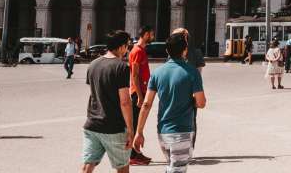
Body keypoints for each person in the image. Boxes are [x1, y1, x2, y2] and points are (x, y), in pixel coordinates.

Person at [133, 33, 206, 173]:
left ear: (167, 51)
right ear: (185, 51)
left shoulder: (157, 73)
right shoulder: (192, 72)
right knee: (177, 169)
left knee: (173, 166)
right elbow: (201, 103)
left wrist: (139, 132)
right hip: (182, 132)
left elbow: (146, 104)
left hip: (163, 132)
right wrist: (190, 100)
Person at [82, 31, 134, 173]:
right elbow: (125, 101)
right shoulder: (121, 66)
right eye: (127, 46)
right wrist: (130, 129)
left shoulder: (93, 64)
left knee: (88, 165)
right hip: (113, 127)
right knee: (122, 167)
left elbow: (94, 93)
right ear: (122, 46)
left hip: (92, 124)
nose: (127, 50)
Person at [128, 26, 154, 166]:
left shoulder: (141, 50)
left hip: (141, 91)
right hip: (138, 92)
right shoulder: (137, 51)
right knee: (134, 125)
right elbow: (135, 75)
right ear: (144, 35)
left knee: (137, 124)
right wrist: (139, 96)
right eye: (151, 34)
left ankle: (135, 153)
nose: (152, 36)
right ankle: (132, 155)